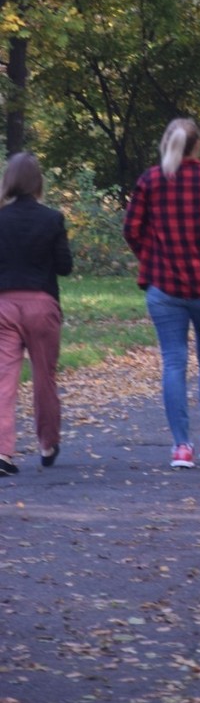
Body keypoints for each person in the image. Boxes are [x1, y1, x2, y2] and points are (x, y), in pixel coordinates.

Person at [123, 118, 200, 469]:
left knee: (173, 362)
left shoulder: (150, 180)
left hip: (164, 285)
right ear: (197, 145)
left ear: (167, 142)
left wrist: (153, 255)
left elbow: (131, 229)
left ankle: (180, 447)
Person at [0, 153, 73, 475]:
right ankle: (47, 443)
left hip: (4, 306)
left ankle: (2, 452)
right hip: (42, 305)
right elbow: (65, 267)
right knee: (45, 377)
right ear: (38, 182)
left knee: (4, 379)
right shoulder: (52, 218)